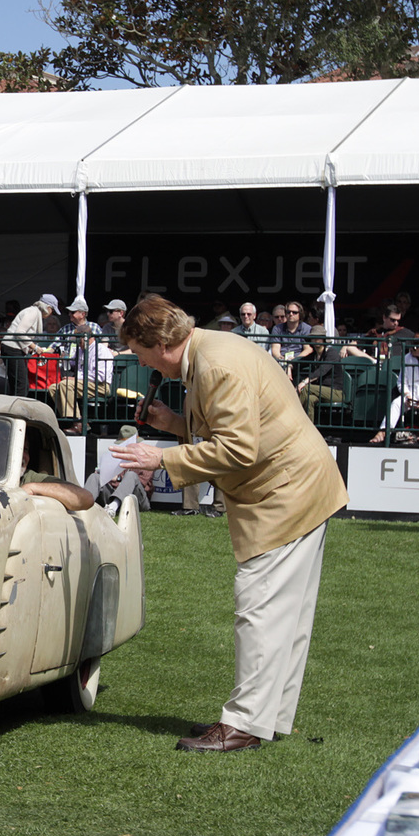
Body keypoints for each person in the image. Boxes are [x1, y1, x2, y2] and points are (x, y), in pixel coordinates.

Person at [110, 295, 347, 753]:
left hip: (286, 494)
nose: (140, 363)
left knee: (259, 607)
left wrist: (160, 458)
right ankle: (265, 718)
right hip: (297, 487)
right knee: (284, 615)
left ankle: (242, 725)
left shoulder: (216, 365)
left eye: (139, 353)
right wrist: (174, 422)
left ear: (160, 342)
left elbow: (239, 449)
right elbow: (231, 431)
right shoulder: (212, 350)